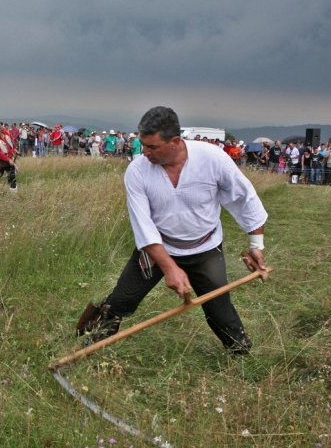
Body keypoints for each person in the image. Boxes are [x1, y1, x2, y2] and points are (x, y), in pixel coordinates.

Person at [78, 107, 268, 355]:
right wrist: (169, 268)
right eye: (142, 145)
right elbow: (143, 226)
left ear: (176, 141)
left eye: (152, 147)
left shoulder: (213, 159)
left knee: (218, 309)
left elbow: (246, 198)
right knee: (121, 300)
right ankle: (89, 346)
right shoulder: (137, 170)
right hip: (157, 248)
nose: (144, 152)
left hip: (205, 249)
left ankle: (241, 353)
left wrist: (256, 245)